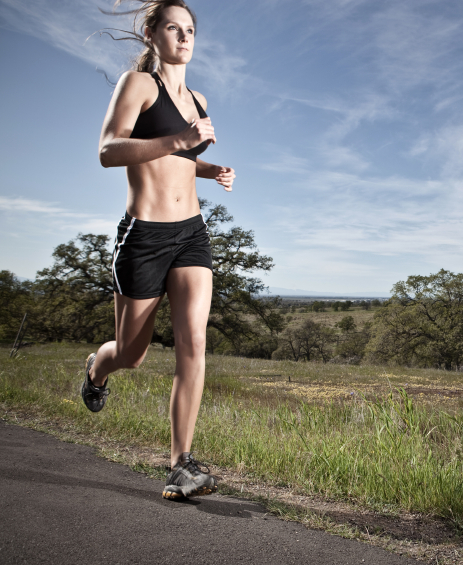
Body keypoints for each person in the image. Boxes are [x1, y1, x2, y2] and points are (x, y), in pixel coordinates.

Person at [80, 0, 235, 500]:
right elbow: (108, 150)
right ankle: (97, 368)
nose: (185, 37)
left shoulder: (198, 97)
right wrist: (178, 140)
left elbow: (182, 162)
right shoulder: (138, 86)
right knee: (132, 354)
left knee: (194, 340)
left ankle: (180, 464)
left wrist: (210, 169)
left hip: (191, 232)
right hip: (144, 236)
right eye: (173, 27)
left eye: (190, 29)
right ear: (152, 33)